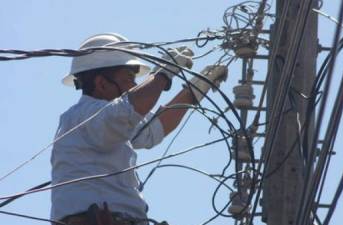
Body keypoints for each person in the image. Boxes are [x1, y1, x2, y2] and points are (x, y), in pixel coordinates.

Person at [50, 33, 228, 225]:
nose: (134, 85)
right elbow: (128, 111)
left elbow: (153, 129)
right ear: (101, 83)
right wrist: (163, 75)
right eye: (129, 78)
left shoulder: (108, 123)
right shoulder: (84, 116)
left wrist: (194, 91)